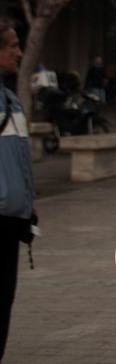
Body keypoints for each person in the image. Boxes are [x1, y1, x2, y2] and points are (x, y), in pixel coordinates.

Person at [0, 18, 34, 361]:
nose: (19, 52)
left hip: (12, 221)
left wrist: (28, 209)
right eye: (11, 46)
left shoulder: (12, 100)